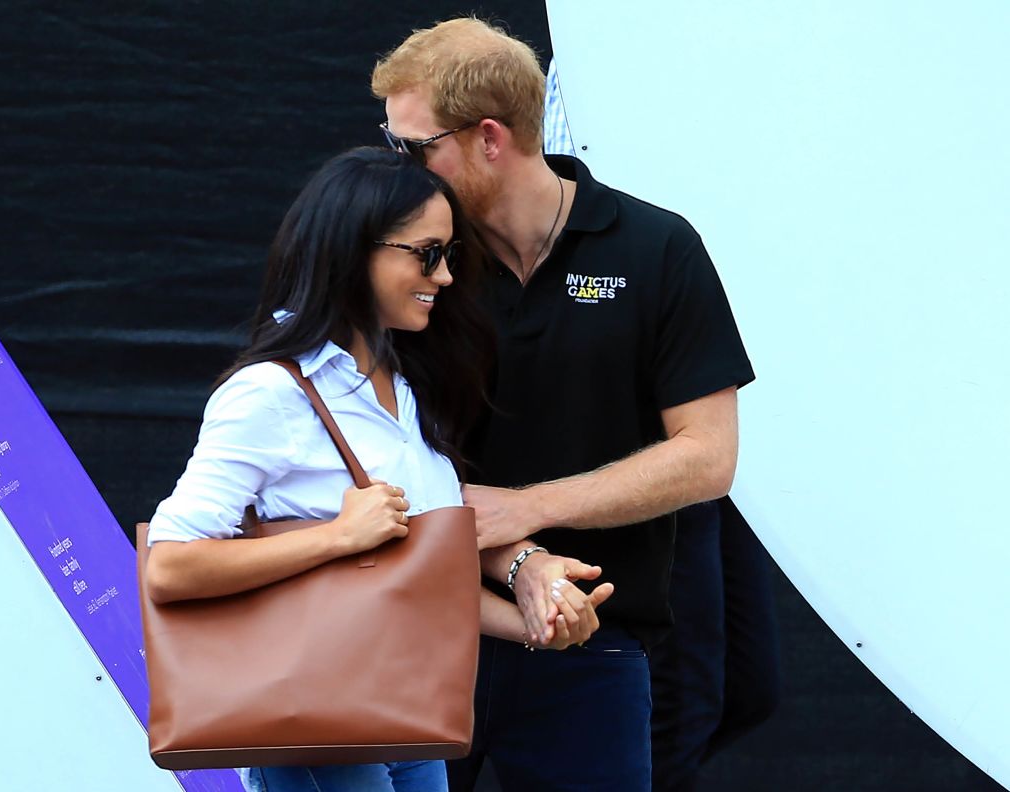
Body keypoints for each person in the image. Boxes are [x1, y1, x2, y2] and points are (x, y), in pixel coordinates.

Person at [145, 146, 612, 792]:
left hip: (404, 716)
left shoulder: (406, 389)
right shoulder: (272, 394)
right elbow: (169, 564)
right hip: (316, 722)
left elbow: (419, 580)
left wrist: (538, 624)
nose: (445, 276)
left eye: (449, 255)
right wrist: (337, 536)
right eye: (427, 253)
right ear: (353, 250)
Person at [372, 19, 757, 792]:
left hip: (594, 636)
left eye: (414, 150)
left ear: (490, 138)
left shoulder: (652, 248)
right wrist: (513, 555)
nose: (399, 172)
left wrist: (528, 508)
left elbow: (708, 457)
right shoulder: (409, 259)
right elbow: (360, 438)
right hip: (429, 624)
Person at [541, 57, 780, 791]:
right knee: (671, 703)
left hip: (698, 406)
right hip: (634, 432)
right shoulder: (599, 56)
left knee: (746, 688)